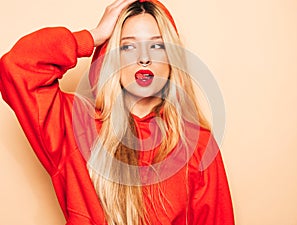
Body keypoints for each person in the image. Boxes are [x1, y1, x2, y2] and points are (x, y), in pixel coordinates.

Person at [0, 0, 234, 224]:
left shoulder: (198, 145)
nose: (144, 58)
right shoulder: (75, 125)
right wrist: (92, 36)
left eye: (157, 45)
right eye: (128, 46)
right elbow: (17, 67)